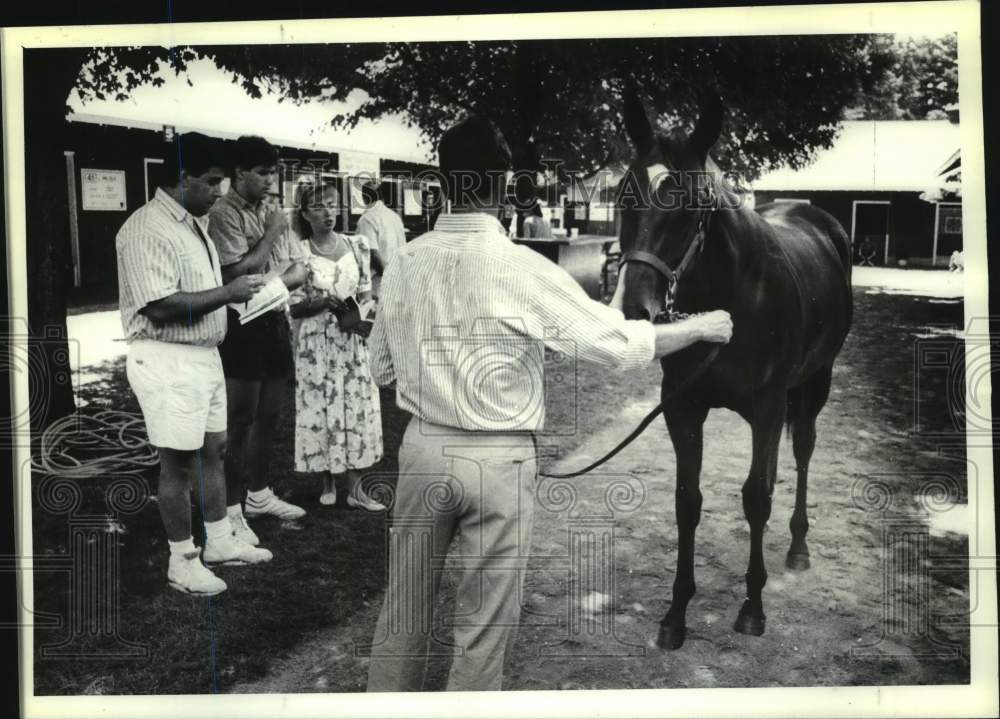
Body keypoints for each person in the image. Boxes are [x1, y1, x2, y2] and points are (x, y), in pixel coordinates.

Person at [365, 117, 733, 691]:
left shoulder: (407, 262)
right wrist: (702, 327)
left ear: (442, 180)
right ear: (504, 183)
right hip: (497, 459)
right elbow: (614, 343)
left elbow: (380, 367)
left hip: (422, 450)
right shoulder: (524, 267)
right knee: (483, 627)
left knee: (404, 612)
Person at [116, 132, 274, 597]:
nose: (219, 192)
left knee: (215, 450)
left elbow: (205, 286)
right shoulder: (146, 228)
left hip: (204, 356)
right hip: (167, 357)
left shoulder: (191, 222)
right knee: (177, 463)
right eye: (211, 182)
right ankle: (181, 559)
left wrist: (239, 290)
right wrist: (228, 294)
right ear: (183, 178)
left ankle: (220, 541)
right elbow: (159, 306)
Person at [208, 136, 309, 546]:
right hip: (240, 327)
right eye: (264, 172)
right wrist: (269, 238)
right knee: (240, 420)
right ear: (240, 172)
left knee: (270, 415)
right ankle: (231, 509)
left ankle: (259, 495)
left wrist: (268, 280)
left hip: (274, 321)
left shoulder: (272, 211)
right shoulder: (222, 213)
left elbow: (299, 270)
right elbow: (235, 276)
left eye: (274, 172)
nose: (271, 180)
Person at [288, 180, 386, 511]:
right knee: (322, 407)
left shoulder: (357, 244)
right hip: (317, 344)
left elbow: (366, 290)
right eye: (318, 207)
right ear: (304, 213)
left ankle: (356, 489)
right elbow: (292, 306)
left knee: (357, 407)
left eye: (332, 204)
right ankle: (327, 479)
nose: (328, 212)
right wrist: (321, 304)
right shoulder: (299, 251)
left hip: (352, 338)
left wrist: (363, 308)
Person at [356, 179, 407, 296]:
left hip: (379, 286)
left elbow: (372, 253)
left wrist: (389, 279)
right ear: (382, 197)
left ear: (364, 198)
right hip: (398, 281)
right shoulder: (395, 217)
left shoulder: (367, 219)